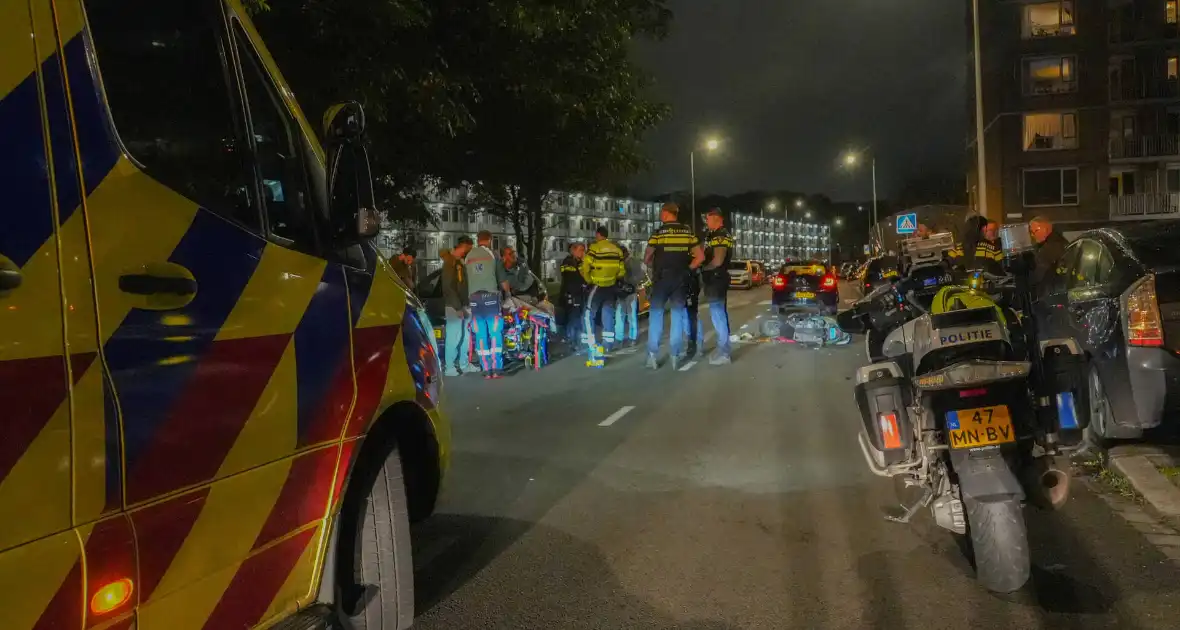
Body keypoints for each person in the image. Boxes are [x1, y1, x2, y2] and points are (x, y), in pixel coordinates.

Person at [644, 203, 705, 370]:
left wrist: (651, 264)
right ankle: (675, 356)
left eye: (661, 212)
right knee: (677, 317)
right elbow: (700, 257)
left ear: (665, 213)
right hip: (680, 280)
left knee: (656, 316)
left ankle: (652, 356)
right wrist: (687, 269)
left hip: (661, 279)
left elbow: (647, 257)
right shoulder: (687, 232)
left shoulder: (658, 233)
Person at [465, 230, 510, 378]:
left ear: (477, 240)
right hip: (490, 297)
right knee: (495, 332)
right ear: (489, 240)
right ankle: (497, 369)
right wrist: (508, 294)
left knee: (480, 334)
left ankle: (486, 369)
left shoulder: (468, 257)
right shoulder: (493, 255)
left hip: (474, 300)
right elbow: (502, 280)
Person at [581, 226, 626, 367]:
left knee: (588, 315)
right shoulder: (617, 250)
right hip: (611, 287)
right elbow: (621, 272)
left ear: (598, 235)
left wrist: (589, 280)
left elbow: (585, 268)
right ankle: (607, 345)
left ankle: (592, 346)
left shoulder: (594, 249)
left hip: (597, 286)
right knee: (608, 314)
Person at [699, 209, 735, 364]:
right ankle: (724, 350)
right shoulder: (714, 234)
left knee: (718, 315)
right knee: (719, 315)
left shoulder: (720, 235)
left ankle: (724, 353)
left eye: (708, 219)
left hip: (716, 279)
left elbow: (718, 260)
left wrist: (703, 268)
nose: (706, 222)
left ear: (716, 218)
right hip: (716, 279)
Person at [440, 236, 475, 376]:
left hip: (463, 304)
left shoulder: (459, 262)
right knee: (454, 336)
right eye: (468, 249)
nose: (468, 252)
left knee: (465, 336)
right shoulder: (450, 262)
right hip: (454, 306)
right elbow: (448, 286)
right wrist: (458, 307)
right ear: (464, 246)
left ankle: (464, 363)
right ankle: (449, 367)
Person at [558, 242, 588, 350]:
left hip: (580, 294)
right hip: (571, 294)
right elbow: (575, 277)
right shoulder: (568, 262)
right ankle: (572, 341)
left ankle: (577, 340)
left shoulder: (580, 262)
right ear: (573, 251)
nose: (583, 252)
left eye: (584, 250)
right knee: (573, 318)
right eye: (580, 250)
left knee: (579, 317)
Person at [615, 246, 645, 348]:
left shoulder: (633, 263)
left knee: (631, 317)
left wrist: (630, 282)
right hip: (620, 294)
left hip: (630, 293)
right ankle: (619, 339)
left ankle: (633, 338)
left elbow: (641, 276)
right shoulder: (618, 263)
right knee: (619, 317)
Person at [1030, 216, 1069, 285]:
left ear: (1045, 229)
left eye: (1034, 231)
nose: (1032, 235)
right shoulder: (1060, 241)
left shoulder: (1049, 248)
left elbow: (1039, 276)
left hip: (1050, 290)